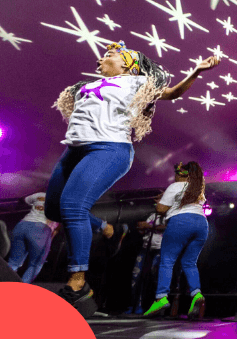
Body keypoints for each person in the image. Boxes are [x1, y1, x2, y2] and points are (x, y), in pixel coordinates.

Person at [46, 41, 219, 311]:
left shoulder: (136, 82)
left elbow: (172, 93)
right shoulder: (85, 87)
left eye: (113, 53)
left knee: (72, 206)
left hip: (108, 149)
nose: (105, 54)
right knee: (54, 208)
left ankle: (78, 281)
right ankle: (104, 228)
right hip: (74, 150)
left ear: (130, 64)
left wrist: (196, 71)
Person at [143, 162, 210, 318]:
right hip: (202, 224)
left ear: (181, 174)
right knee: (189, 262)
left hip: (181, 222)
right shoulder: (198, 190)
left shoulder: (175, 186)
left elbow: (161, 209)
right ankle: (197, 294)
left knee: (167, 261)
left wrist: (159, 201)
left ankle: (161, 297)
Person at [7, 193, 61, 283]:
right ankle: (20, 293)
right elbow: (56, 229)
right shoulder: (65, 201)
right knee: (35, 265)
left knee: (13, 263)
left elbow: (23, 200)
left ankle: (3, 287)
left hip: (22, 226)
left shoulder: (40, 194)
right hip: (41, 230)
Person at [128, 202, 166, 314]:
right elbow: (141, 228)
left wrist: (148, 226)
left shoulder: (170, 215)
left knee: (155, 277)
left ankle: (155, 307)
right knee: (136, 276)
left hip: (160, 250)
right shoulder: (152, 216)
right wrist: (142, 228)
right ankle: (135, 305)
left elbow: (167, 227)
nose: (157, 204)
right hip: (146, 249)